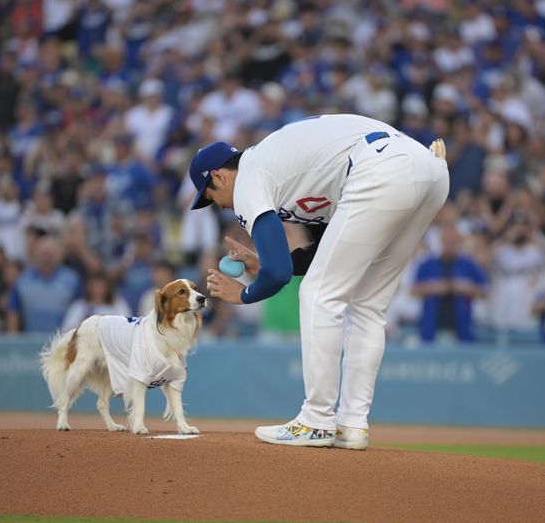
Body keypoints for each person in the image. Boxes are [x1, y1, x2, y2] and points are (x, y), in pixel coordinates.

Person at [192, 114, 449, 449]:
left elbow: (280, 275)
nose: (216, 204)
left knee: (318, 294)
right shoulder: (283, 169)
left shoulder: (251, 175)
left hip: (381, 167)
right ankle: (352, 425)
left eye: (210, 196)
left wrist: (244, 294)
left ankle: (316, 419)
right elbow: (320, 254)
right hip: (428, 170)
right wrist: (263, 262)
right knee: (367, 305)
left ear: (219, 175)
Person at [411, 224, 487, 343]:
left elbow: (484, 291)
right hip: (431, 326)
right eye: (446, 241)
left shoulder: (469, 264)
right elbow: (414, 290)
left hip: (462, 327)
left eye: (453, 241)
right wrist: (434, 288)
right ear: (440, 241)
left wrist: (466, 288)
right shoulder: (427, 264)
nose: (449, 245)